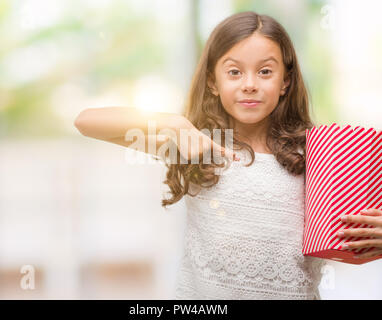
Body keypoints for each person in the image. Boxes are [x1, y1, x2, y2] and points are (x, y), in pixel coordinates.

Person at [74, 11, 382, 299]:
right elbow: (87, 122)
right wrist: (171, 123)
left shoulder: (316, 155)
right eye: (234, 72)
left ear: (285, 81)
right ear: (213, 82)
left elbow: (351, 234)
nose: (249, 84)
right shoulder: (194, 144)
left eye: (265, 72)